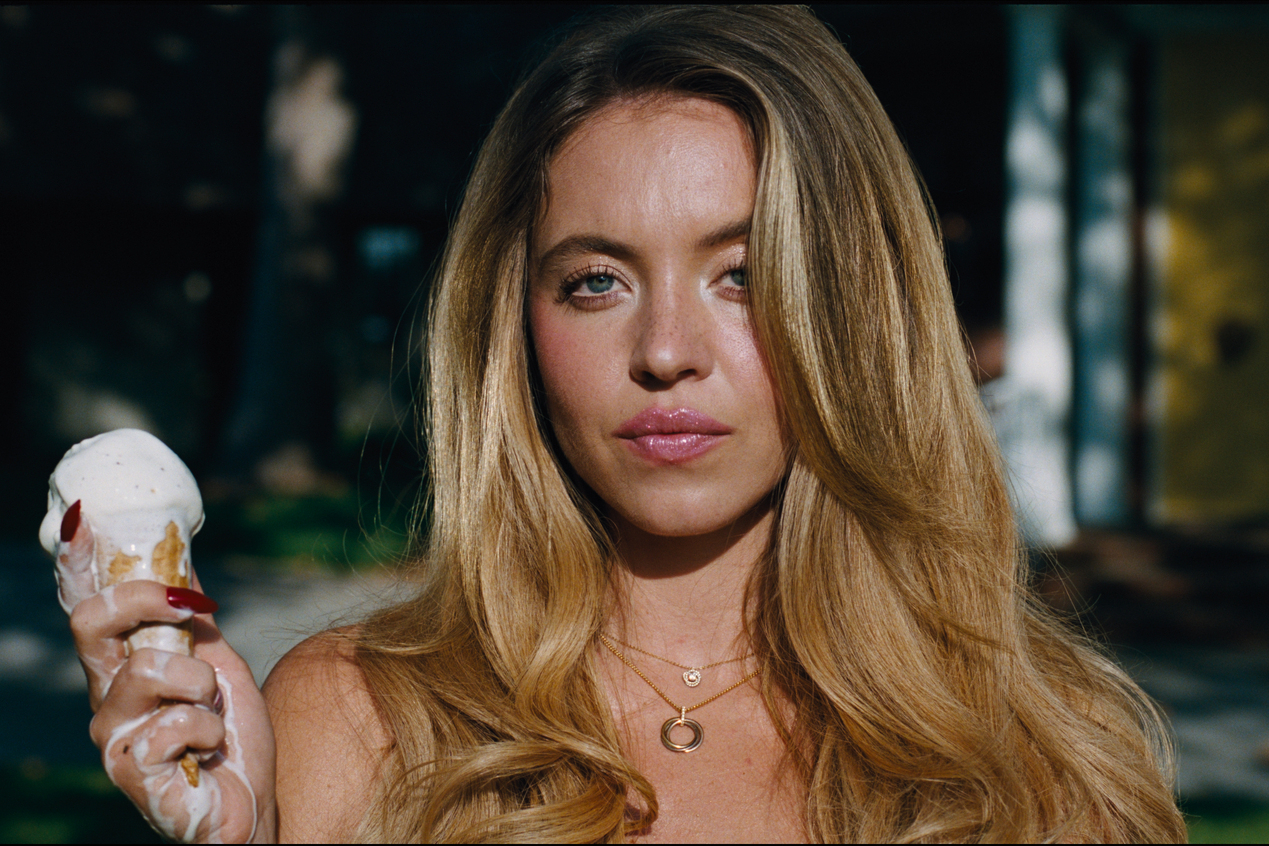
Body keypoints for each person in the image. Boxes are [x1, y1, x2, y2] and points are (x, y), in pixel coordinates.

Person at [63, 7, 1187, 842]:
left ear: (856, 306)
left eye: (742, 276)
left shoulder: (1050, 759)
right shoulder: (354, 718)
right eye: (596, 281)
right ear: (517, 321)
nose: (664, 351)